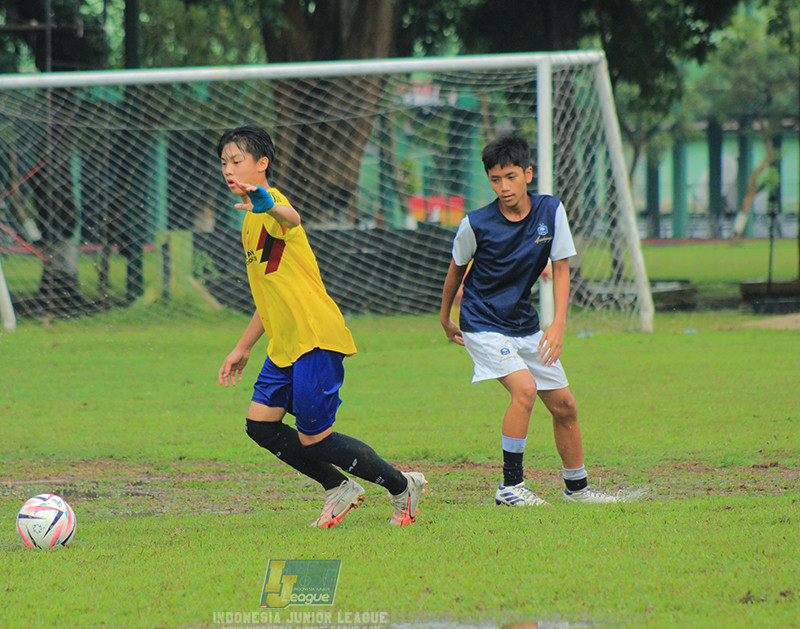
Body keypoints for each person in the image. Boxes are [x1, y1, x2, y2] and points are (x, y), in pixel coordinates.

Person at [215, 125, 426, 527]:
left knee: (316, 438)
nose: (228, 169)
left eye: (237, 161)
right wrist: (242, 347)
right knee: (260, 426)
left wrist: (266, 204)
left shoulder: (269, 205)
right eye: (224, 162)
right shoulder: (248, 219)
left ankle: (402, 486)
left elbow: (291, 219)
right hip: (285, 343)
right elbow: (270, 295)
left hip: (314, 337)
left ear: (262, 164)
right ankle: (338, 486)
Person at [439, 133, 616, 505]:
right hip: (482, 322)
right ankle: (510, 488)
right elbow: (455, 271)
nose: (503, 187)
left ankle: (577, 489)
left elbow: (562, 267)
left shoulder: (550, 212)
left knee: (565, 405)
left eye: (511, 176)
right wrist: (445, 318)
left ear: (528, 174)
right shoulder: (476, 223)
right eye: (495, 179)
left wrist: (559, 324)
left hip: (524, 323)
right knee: (525, 390)